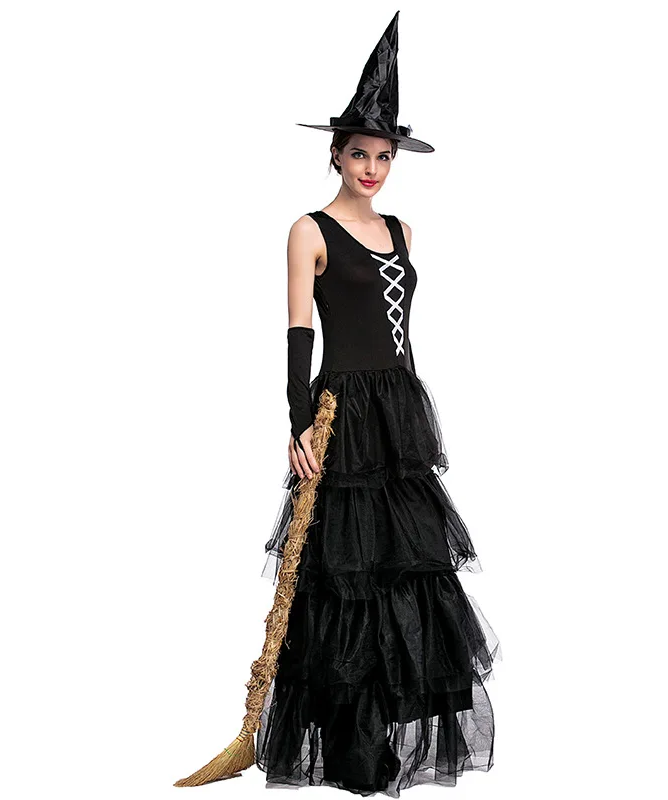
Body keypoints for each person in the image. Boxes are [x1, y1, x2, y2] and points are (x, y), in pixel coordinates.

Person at [253, 12, 501, 798]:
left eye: (383, 155)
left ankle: (386, 735)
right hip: (343, 416)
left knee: (408, 572)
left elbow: (403, 338)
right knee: (344, 576)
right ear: (335, 152)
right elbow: (299, 334)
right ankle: (350, 747)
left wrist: (413, 430)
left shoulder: (403, 230)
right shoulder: (308, 230)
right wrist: (298, 423)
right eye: (359, 152)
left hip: (398, 417)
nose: (371, 167)